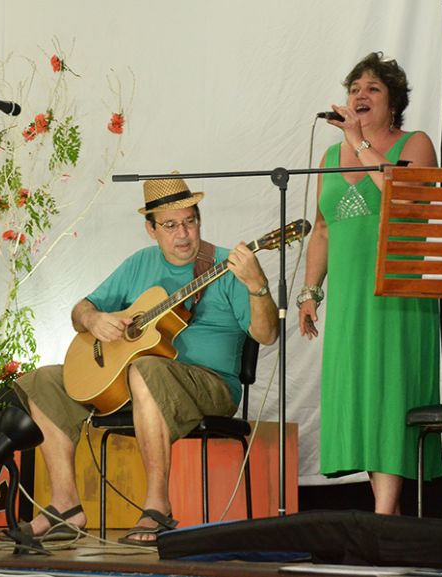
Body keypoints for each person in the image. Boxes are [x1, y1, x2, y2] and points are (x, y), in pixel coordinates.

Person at [14, 176, 279, 545]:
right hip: (134, 381)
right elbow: (81, 310)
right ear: (150, 229)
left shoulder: (225, 265)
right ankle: (66, 505)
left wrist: (257, 285)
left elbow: (267, 335)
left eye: (190, 221)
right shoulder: (139, 264)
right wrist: (93, 320)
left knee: (146, 367)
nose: (183, 234)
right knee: (44, 380)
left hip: (210, 384)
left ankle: (157, 506)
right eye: (170, 225)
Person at [298, 52, 442, 515]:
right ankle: (389, 517)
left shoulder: (415, 144)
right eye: (354, 89)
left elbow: (410, 200)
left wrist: (361, 144)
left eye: (372, 89)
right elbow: (322, 229)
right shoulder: (329, 156)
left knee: (391, 393)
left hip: (399, 291)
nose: (360, 95)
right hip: (350, 299)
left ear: (393, 102)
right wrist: (309, 292)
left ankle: (384, 518)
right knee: (361, 396)